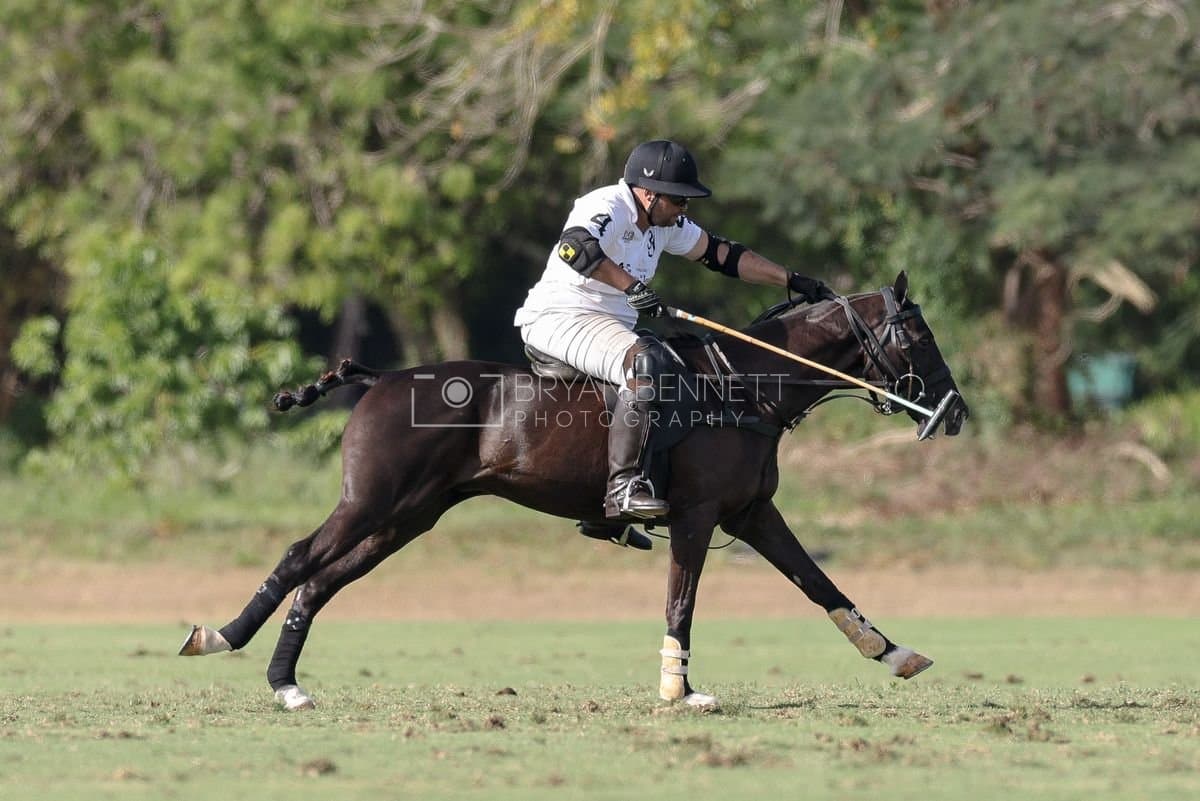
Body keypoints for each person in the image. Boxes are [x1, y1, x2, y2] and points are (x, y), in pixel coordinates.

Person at [514, 140, 830, 542]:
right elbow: (575, 246)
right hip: (561, 317)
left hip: (608, 324)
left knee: (678, 365)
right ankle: (622, 489)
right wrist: (631, 287)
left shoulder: (666, 225)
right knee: (645, 363)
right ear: (649, 194)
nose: (684, 209)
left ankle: (600, 515)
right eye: (678, 200)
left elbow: (721, 255)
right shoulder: (608, 205)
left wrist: (791, 280)